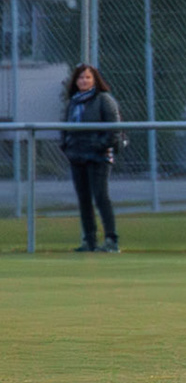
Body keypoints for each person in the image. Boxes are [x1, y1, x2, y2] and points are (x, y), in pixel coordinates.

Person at [60, 63, 125, 253]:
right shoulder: (73, 102)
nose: (84, 81)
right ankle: (89, 240)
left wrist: (99, 145)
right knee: (84, 198)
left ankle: (111, 240)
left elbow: (114, 128)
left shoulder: (104, 99)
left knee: (100, 196)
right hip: (77, 155)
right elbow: (65, 128)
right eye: (81, 77)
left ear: (95, 80)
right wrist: (66, 146)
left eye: (88, 77)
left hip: (98, 156)